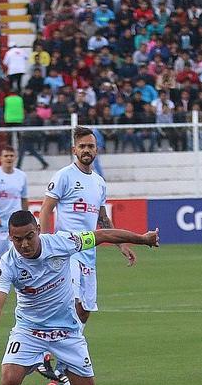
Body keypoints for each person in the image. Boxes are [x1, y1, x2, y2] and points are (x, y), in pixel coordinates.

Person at [0, 210, 159, 385]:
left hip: (66, 331)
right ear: (10, 237)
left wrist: (142, 239)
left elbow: (102, 235)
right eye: (17, 239)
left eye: (29, 237)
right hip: (29, 331)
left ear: (38, 230)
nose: (24, 244)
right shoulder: (8, 263)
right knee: (8, 382)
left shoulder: (62, 242)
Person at [39, 126, 136, 328]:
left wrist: (122, 245)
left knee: (84, 311)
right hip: (67, 250)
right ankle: (57, 344)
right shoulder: (64, 176)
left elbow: (103, 219)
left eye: (90, 146)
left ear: (96, 150)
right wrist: (45, 244)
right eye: (82, 146)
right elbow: (46, 210)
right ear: (74, 150)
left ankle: (68, 344)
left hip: (89, 252)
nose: (86, 150)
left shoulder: (99, 182)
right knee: (72, 302)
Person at [0, 146, 29, 269]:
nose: (9, 158)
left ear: (15, 158)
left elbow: (24, 199)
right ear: (1, 158)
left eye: (11, 156)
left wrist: (27, 218)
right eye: (6, 156)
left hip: (16, 224)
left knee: (19, 258)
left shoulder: (21, 176)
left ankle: (19, 282)